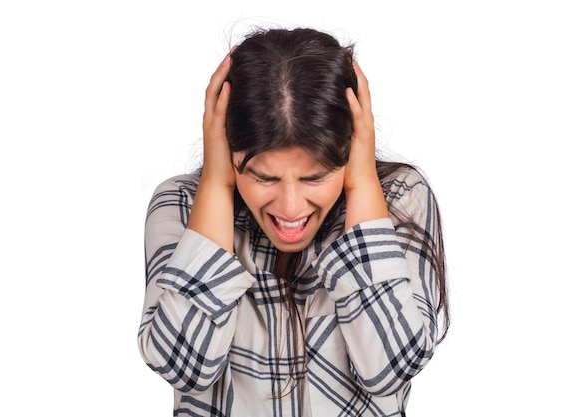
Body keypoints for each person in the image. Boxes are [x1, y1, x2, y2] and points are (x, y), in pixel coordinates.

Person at [138, 27, 449, 417]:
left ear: (351, 151)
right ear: (227, 151)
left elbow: (392, 368)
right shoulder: (182, 203)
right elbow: (184, 367)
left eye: (314, 177)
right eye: (264, 177)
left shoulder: (400, 199)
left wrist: (364, 184)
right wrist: (216, 185)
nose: (289, 207)